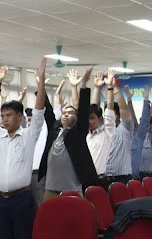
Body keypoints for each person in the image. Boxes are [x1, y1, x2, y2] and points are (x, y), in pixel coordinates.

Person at [0, 58, 47, 239]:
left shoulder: (29, 135)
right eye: (2, 116)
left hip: (21, 198)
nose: (4, 120)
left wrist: (41, 81)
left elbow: (39, 111)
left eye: (9, 115)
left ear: (19, 117)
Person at [39, 68, 98, 199]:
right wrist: (41, 86)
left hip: (72, 191)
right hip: (50, 190)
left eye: (70, 113)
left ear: (76, 118)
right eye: (64, 113)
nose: (66, 115)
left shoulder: (77, 135)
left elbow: (83, 112)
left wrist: (83, 85)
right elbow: (48, 111)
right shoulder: (54, 132)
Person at [103, 84, 135, 185]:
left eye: (113, 115)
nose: (109, 117)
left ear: (118, 115)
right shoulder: (104, 130)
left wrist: (116, 91)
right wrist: (108, 99)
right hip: (105, 176)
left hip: (122, 177)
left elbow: (124, 108)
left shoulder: (126, 127)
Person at [87, 70, 116, 178]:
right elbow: (94, 106)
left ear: (100, 119)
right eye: (87, 118)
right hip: (84, 178)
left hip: (100, 178)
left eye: (92, 118)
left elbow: (109, 109)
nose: (89, 121)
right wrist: (96, 87)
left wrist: (110, 87)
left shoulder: (106, 132)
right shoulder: (85, 134)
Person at [132, 85, 151, 179]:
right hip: (139, 174)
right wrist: (129, 100)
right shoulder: (138, 135)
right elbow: (134, 118)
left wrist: (146, 100)